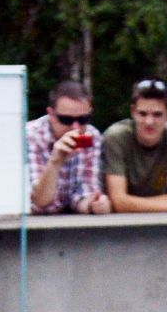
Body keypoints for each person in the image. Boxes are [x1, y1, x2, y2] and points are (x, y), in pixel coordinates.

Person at [101, 77, 167, 214]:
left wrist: (132, 203)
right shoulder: (116, 137)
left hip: (160, 218)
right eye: (142, 114)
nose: (149, 122)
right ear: (133, 111)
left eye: (157, 115)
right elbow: (119, 202)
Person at [27, 79, 109, 215]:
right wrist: (55, 161)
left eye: (83, 120)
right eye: (67, 120)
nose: (75, 127)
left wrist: (94, 204)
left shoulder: (92, 135)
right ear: (51, 115)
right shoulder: (31, 136)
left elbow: (84, 193)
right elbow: (39, 201)